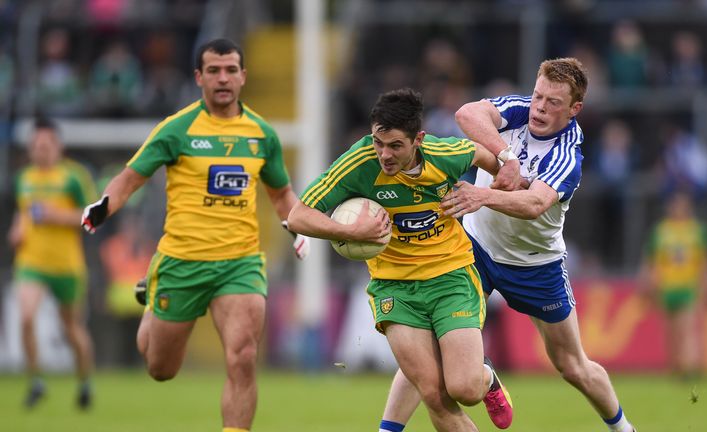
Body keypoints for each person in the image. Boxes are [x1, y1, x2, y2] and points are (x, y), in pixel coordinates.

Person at [380, 58, 637, 432]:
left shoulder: (568, 155)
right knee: (429, 344)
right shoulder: (519, 111)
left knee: (571, 365)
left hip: (535, 265)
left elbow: (534, 205)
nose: (540, 108)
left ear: (574, 109)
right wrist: (507, 157)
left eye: (553, 103)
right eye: (538, 96)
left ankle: (622, 427)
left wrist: (482, 197)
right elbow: (467, 113)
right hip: (475, 248)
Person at [80, 38, 310, 432]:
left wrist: (298, 225)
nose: (223, 78)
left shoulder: (262, 135)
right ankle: (153, 301)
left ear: (243, 76)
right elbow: (131, 177)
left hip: (240, 263)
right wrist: (104, 205)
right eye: (215, 71)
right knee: (161, 368)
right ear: (199, 77)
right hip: (182, 262)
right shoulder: (176, 129)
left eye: (231, 70)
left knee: (242, 356)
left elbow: (280, 193)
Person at [286, 88, 514, 432]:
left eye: (395, 146)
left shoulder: (445, 154)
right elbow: (298, 216)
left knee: (464, 388)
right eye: (378, 142)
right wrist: (349, 231)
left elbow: (485, 156)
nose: (384, 154)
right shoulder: (358, 164)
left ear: (418, 139)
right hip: (395, 288)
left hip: (451, 276)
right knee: (433, 394)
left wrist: (489, 189)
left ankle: (486, 377)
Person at [7, 117, 97, 409]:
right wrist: (17, 228)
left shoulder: (73, 177)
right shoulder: (25, 178)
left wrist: (57, 216)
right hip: (31, 261)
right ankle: (36, 381)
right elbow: (23, 212)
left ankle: (84, 383)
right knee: (26, 317)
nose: (40, 150)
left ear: (58, 147)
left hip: (66, 266)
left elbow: (92, 218)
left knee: (71, 328)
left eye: (45, 145)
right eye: (35, 145)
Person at [639, 191, 707, 378]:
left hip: (688, 286)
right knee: (671, 332)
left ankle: (689, 368)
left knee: (686, 329)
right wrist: (646, 282)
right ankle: (675, 368)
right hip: (667, 287)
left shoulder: (698, 230)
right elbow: (650, 260)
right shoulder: (661, 230)